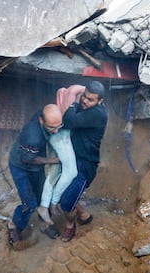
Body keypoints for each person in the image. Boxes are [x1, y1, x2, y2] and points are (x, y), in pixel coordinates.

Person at [7, 104, 63, 249]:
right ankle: (14, 225)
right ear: (41, 121)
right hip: (21, 166)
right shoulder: (33, 136)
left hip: (35, 166)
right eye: (52, 128)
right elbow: (28, 159)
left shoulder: (47, 115)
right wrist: (52, 160)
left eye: (59, 126)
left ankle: (45, 223)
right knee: (29, 202)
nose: (56, 131)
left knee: (43, 195)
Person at [58, 80, 108, 242]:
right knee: (62, 193)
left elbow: (68, 121)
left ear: (100, 101)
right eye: (84, 96)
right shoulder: (87, 108)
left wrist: (72, 101)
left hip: (84, 165)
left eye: (90, 99)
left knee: (65, 203)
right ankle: (83, 214)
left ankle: (70, 226)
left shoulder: (97, 114)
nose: (85, 101)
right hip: (72, 160)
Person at [36, 85, 84, 237]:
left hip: (57, 135)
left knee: (55, 172)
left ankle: (44, 206)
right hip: (60, 137)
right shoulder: (75, 93)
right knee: (71, 171)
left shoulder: (67, 96)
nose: (86, 102)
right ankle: (53, 202)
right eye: (86, 98)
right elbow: (73, 90)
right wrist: (85, 93)